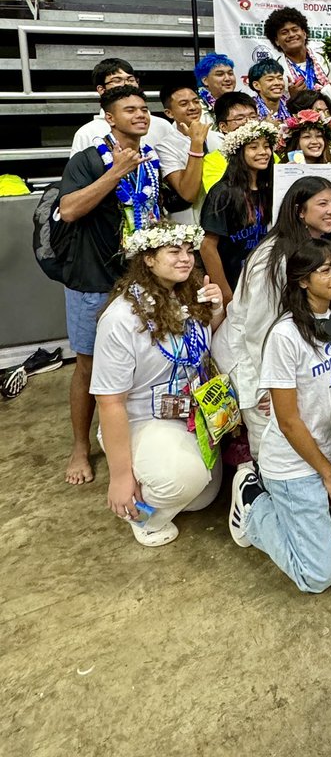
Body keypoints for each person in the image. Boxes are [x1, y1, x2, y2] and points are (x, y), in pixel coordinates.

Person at [90, 223, 225, 548]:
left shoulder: (189, 294)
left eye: (189, 251)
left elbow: (204, 347)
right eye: (174, 252)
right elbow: (109, 403)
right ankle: (143, 518)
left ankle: (163, 479)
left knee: (202, 497)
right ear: (148, 259)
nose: (186, 259)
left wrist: (217, 309)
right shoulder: (121, 319)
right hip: (142, 419)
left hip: (192, 414)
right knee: (185, 479)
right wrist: (121, 477)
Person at [228, 239, 331, 594]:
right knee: (320, 576)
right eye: (324, 270)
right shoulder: (285, 335)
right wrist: (328, 474)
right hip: (295, 463)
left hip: (328, 450)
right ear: (301, 280)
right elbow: (289, 420)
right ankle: (253, 506)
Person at [57, 86, 162, 486]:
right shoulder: (88, 159)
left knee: (138, 358)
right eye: (129, 110)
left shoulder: (149, 159)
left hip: (139, 276)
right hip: (92, 277)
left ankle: (131, 432)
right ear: (109, 118)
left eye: (144, 109)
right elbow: (68, 210)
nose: (140, 115)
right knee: (87, 364)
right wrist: (115, 172)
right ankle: (81, 447)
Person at [214, 176, 331, 457]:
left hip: (281, 348)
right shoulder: (273, 258)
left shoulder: (317, 243)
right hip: (249, 354)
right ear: (299, 211)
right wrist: (268, 387)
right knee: (270, 436)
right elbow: (258, 328)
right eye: (322, 203)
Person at [199, 118, 277, 305]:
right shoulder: (222, 192)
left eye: (266, 146)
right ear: (238, 152)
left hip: (262, 283)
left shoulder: (270, 189)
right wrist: (226, 295)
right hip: (232, 282)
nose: (263, 152)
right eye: (253, 147)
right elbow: (207, 246)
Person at [70, 58, 171, 154]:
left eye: (131, 80)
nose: (126, 85)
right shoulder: (87, 132)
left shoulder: (162, 126)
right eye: (117, 80)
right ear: (101, 89)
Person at [155, 76, 210, 224]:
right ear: (169, 113)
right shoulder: (165, 147)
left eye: (196, 101)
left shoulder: (216, 137)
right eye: (184, 104)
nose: (193, 107)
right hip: (191, 225)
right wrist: (196, 144)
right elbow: (188, 194)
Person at [264, 7, 328, 96]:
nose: (291, 35)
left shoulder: (325, 59)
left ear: (304, 33)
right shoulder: (274, 71)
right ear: (276, 41)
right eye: (284, 32)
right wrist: (293, 98)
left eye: (295, 29)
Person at [202, 91, 257, 192]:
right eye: (240, 118)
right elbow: (218, 197)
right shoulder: (213, 161)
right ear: (223, 127)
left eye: (253, 117)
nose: (249, 122)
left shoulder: (266, 152)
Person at [194, 52, 237, 124]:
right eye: (220, 74)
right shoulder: (195, 107)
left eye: (230, 73)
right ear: (205, 81)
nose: (227, 78)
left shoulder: (241, 103)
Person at [248, 57, 291, 122]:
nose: (277, 83)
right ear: (256, 85)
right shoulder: (250, 109)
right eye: (270, 79)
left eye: (280, 78)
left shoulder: (291, 106)